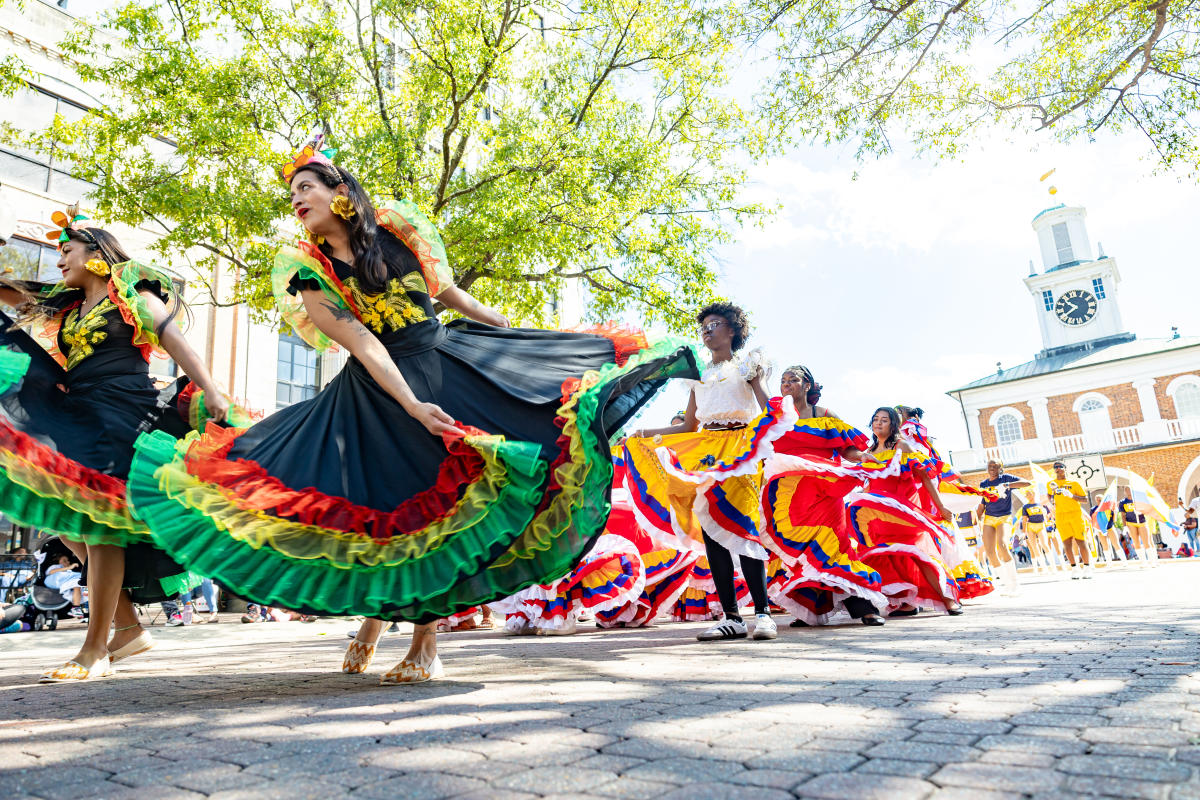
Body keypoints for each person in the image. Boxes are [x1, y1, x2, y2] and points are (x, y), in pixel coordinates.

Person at [127, 136, 696, 684]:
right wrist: (412, 404)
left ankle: (423, 645)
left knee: (436, 499)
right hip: (377, 390)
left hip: (443, 359)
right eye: (292, 194)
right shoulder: (308, 273)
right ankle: (375, 630)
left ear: (340, 190)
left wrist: (509, 333)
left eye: (306, 187)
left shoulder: (398, 231)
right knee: (384, 505)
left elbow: (449, 294)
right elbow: (365, 344)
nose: (297, 200)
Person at [0, 208, 231, 682]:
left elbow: (174, 338)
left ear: (97, 255)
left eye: (67, 251)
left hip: (126, 413)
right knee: (66, 523)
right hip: (82, 413)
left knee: (101, 524)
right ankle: (127, 628)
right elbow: (16, 295)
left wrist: (211, 388)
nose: (60, 260)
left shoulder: (133, 296)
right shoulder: (69, 306)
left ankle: (94, 650)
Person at [622, 302, 793, 642]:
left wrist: (759, 383)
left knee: (743, 526)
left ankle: (762, 613)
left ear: (732, 330)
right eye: (705, 325)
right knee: (712, 530)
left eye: (715, 324)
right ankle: (730, 617)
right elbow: (688, 424)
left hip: (740, 449)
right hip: (705, 450)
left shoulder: (747, 364)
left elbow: (765, 407)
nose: (707, 330)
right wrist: (642, 435)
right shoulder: (696, 375)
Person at [759, 366, 887, 627]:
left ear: (807, 385)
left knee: (836, 546)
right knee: (802, 550)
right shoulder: (775, 416)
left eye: (792, 380)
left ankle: (863, 606)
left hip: (825, 493)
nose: (786, 384)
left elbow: (848, 449)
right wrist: (756, 379)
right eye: (783, 381)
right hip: (788, 497)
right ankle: (813, 609)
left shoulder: (825, 415)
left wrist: (861, 456)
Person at [845, 407, 962, 617]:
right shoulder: (869, 453)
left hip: (904, 511)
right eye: (875, 419)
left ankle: (948, 600)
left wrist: (941, 506)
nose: (878, 423)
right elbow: (871, 484)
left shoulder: (902, 446)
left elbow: (925, 477)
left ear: (893, 425)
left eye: (884, 420)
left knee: (919, 554)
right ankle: (907, 601)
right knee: (888, 557)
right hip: (878, 516)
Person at [976, 461, 1030, 592]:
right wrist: (976, 521)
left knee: (1003, 545)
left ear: (1001, 468)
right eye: (990, 466)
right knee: (989, 552)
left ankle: (1015, 583)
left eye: (995, 466)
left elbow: (1027, 483)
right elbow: (982, 504)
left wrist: (1007, 485)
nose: (992, 468)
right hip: (989, 518)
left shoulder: (1006, 478)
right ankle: (1007, 585)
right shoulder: (984, 484)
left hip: (1004, 517)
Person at [1048, 461, 1091, 578]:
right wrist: (1051, 501)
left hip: (1075, 514)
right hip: (1061, 516)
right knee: (1066, 543)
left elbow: (1085, 499)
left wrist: (1072, 496)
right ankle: (1074, 568)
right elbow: (1049, 497)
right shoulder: (1051, 484)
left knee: (1081, 541)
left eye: (1060, 466)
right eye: (1055, 467)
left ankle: (1087, 567)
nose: (1058, 469)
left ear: (1065, 468)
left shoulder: (1074, 483)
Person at [1118, 486, 1155, 569]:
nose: (1128, 491)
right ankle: (1143, 562)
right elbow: (1123, 515)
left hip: (1142, 522)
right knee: (1136, 542)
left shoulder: (1138, 499)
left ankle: (1152, 561)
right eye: (1126, 490)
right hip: (1130, 523)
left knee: (1146, 542)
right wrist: (1125, 527)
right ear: (1124, 492)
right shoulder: (1122, 502)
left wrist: (1141, 511)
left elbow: (1147, 509)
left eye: (1129, 489)